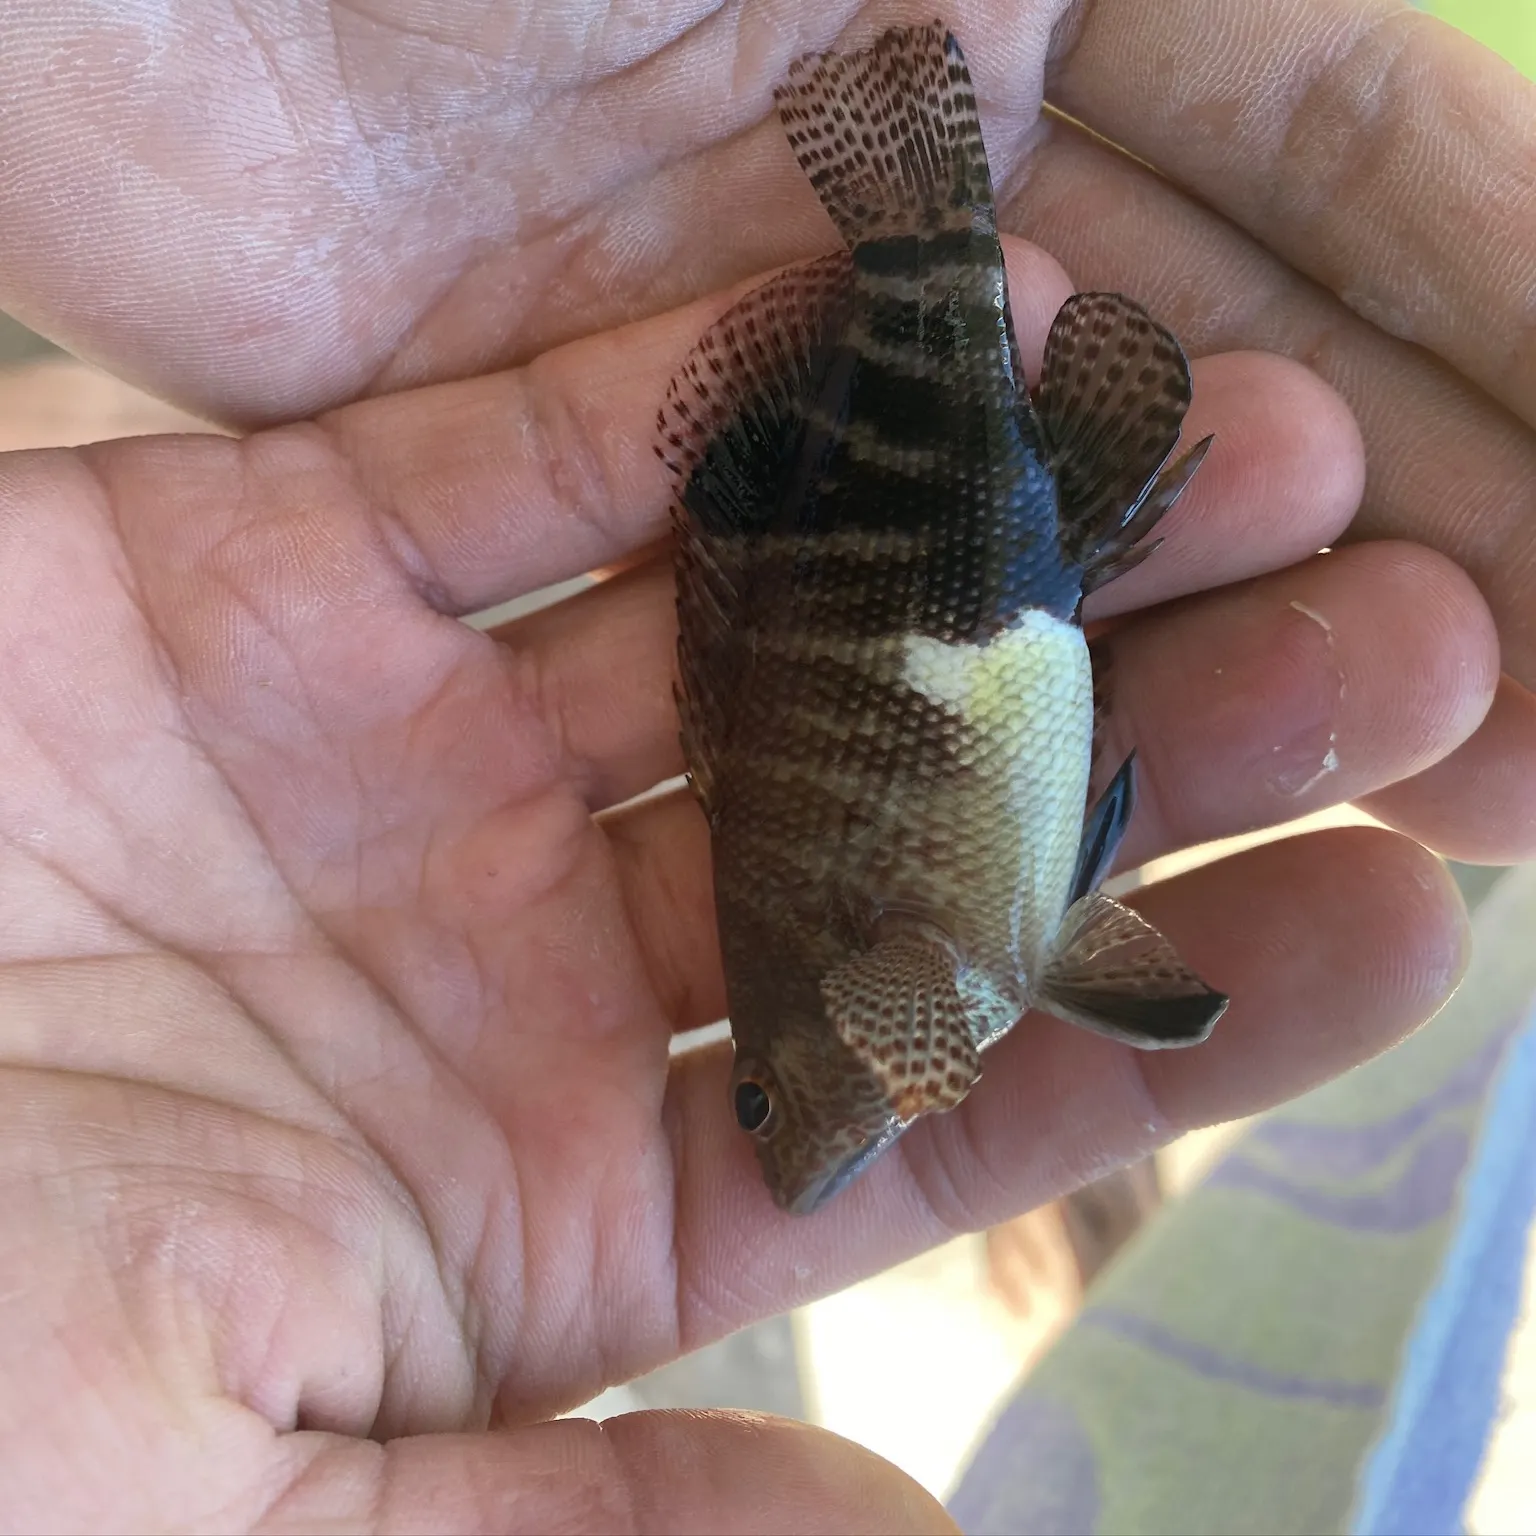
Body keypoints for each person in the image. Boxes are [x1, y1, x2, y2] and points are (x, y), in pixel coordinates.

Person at [0, 2, 1529, 1529]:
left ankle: (927, 252)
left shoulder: (902, 1000)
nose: (800, 1147)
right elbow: (1034, 967)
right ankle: (932, 253)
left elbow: (924, 998)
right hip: (1010, 576)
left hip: (968, 588)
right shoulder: (942, 981)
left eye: (761, 1103)